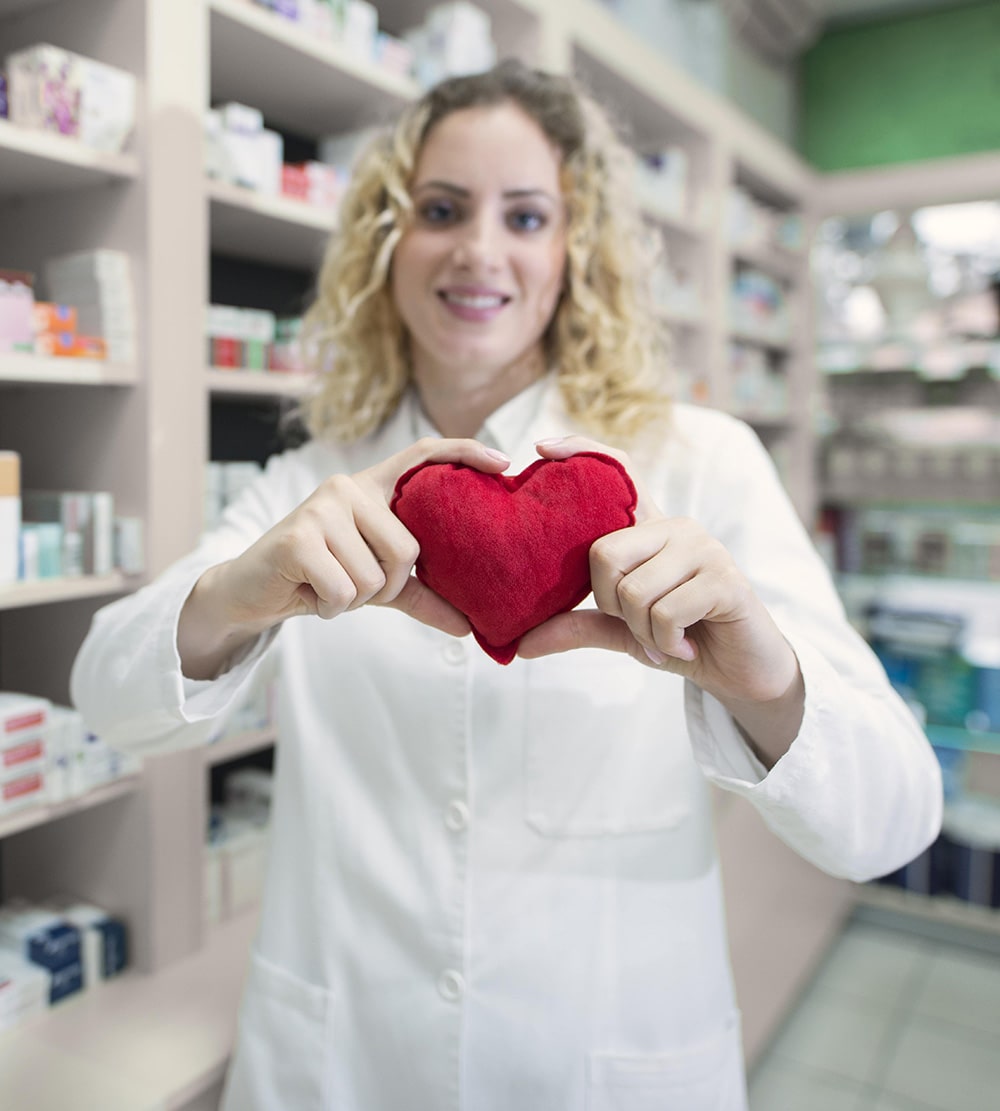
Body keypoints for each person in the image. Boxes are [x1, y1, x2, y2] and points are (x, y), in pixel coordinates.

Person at [71, 59, 942, 1111]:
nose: (480, 250)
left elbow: (890, 821)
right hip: (344, 1060)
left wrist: (765, 679)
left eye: (526, 216)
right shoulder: (314, 482)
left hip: (601, 1060)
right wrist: (231, 596)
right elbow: (105, 698)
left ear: (575, 251)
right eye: (442, 209)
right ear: (387, 243)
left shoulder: (699, 463)